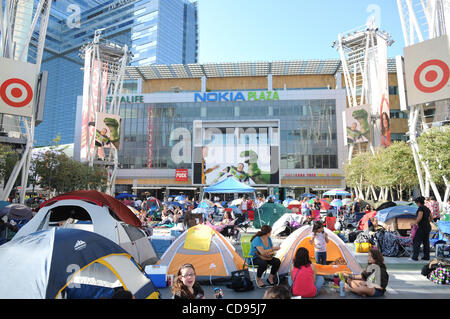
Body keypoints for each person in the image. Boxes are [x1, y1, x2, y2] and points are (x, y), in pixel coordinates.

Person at [410, 196, 432, 261]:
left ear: (419, 203)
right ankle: (426, 256)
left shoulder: (421, 208)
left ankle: (415, 257)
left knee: (416, 241)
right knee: (426, 242)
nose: (416, 205)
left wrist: (414, 223)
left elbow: (419, 218)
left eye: (416, 203)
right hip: (428, 226)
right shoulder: (427, 208)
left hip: (422, 227)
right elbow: (432, 217)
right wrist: (427, 221)